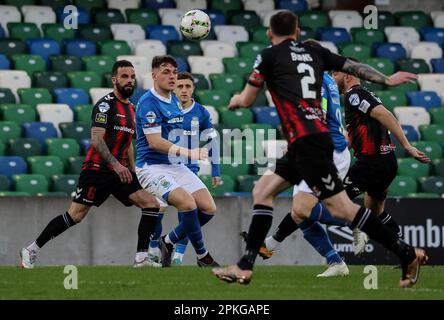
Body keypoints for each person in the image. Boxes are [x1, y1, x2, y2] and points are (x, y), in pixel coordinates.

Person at [212, 10, 428, 288]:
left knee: (341, 209)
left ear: (269, 33)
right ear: (298, 31)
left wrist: (236, 101)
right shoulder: (317, 54)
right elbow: (354, 67)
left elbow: (248, 98)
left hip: (309, 143)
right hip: (306, 141)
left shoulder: (268, 55)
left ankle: (406, 253)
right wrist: (387, 80)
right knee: (263, 192)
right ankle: (245, 266)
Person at [20, 60, 162, 269]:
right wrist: (116, 165)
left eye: (132, 76)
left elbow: (128, 144)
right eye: (124, 76)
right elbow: (96, 139)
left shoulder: (132, 109)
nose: (129, 80)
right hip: (97, 170)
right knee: (75, 216)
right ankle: (31, 249)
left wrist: (134, 170)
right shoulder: (105, 105)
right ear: (114, 80)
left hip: (120, 172)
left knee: (151, 203)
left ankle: (141, 258)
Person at [243, 68, 354, 277]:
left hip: (325, 152)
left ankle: (357, 220)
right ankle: (334, 261)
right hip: (324, 150)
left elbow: (317, 115)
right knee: (301, 212)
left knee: (302, 209)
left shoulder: (318, 81)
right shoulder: (326, 79)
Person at [135, 55, 218, 268]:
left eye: (174, 71)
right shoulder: (148, 102)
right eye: (166, 72)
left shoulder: (173, 99)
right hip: (151, 168)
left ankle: (168, 241)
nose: (171, 76)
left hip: (175, 165)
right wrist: (190, 153)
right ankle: (202, 255)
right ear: (154, 76)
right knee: (187, 203)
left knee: (208, 208)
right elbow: (154, 142)